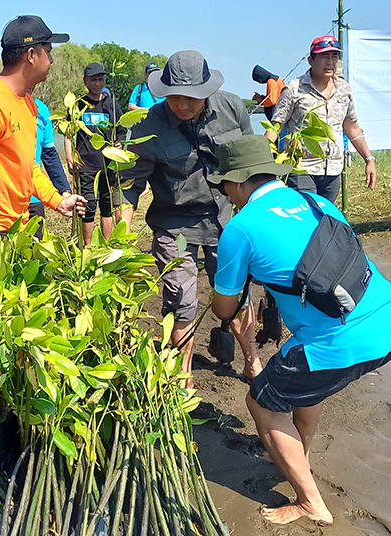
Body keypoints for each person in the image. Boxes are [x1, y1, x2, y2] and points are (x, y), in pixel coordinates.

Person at [209, 134, 391, 526]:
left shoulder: (240, 228)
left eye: (225, 183)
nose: (226, 192)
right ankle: (299, 459)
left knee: (262, 402)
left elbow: (225, 307)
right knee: (304, 382)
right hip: (384, 317)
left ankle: (310, 503)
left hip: (339, 341)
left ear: (239, 181)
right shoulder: (317, 202)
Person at [121, 50, 259, 385]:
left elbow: (249, 166)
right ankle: (181, 378)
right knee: (181, 302)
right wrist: (119, 240)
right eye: (174, 97)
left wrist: (256, 216)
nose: (182, 105)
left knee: (236, 294)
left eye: (191, 98)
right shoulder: (147, 125)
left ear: (207, 90)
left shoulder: (232, 109)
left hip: (226, 221)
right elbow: (129, 186)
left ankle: (253, 361)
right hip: (174, 223)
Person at [0, 15, 87, 255]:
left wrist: (57, 200)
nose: (52, 60)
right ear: (32, 55)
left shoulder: (28, 104)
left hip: (14, 222)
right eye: (48, 51)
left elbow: (27, 166)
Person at [266, 35, 376, 203]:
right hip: (301, 169)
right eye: (324, 56)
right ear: (311, 60)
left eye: (334, 57)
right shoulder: (294, 89)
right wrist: (264, 162)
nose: (330, 62)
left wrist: (368, 159)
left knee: (326, 218)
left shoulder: (344, 89)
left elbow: (352, 127)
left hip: (332, 170)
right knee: (307, 216)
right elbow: (275, 127)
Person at [64, 62, 126, 245]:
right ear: (85, 81)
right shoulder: (78, 105)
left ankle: (106, 247)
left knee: (107, 207)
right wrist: (69, 156)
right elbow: (68, 133)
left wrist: (120, 144)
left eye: (100, 79)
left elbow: (121, 131)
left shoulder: (112, 105)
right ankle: (88, 246)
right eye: (93, 80)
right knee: (88, 206)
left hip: (107, 165)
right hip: (86, 165)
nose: (97, 83)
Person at [28, 94, 72, 239]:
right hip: (3, 202)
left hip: (34, 197)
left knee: (35, 254)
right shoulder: (0, 103)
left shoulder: (42, 109)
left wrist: (64, 190)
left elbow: (49, 154)